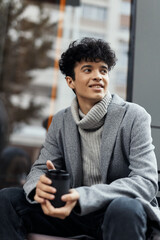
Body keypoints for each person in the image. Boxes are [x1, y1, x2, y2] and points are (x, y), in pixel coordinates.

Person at [0, 37, 160, 240]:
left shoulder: (134, 116)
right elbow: (40, 169)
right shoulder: (60, 121)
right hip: (73, 213)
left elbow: (146, 181)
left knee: (124, 207)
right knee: (7, 199)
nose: (98, 76)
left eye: (103, 70)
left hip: (116, 212)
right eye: (88, 70)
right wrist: (38, 188)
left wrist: (83, 196)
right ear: (70, 81)